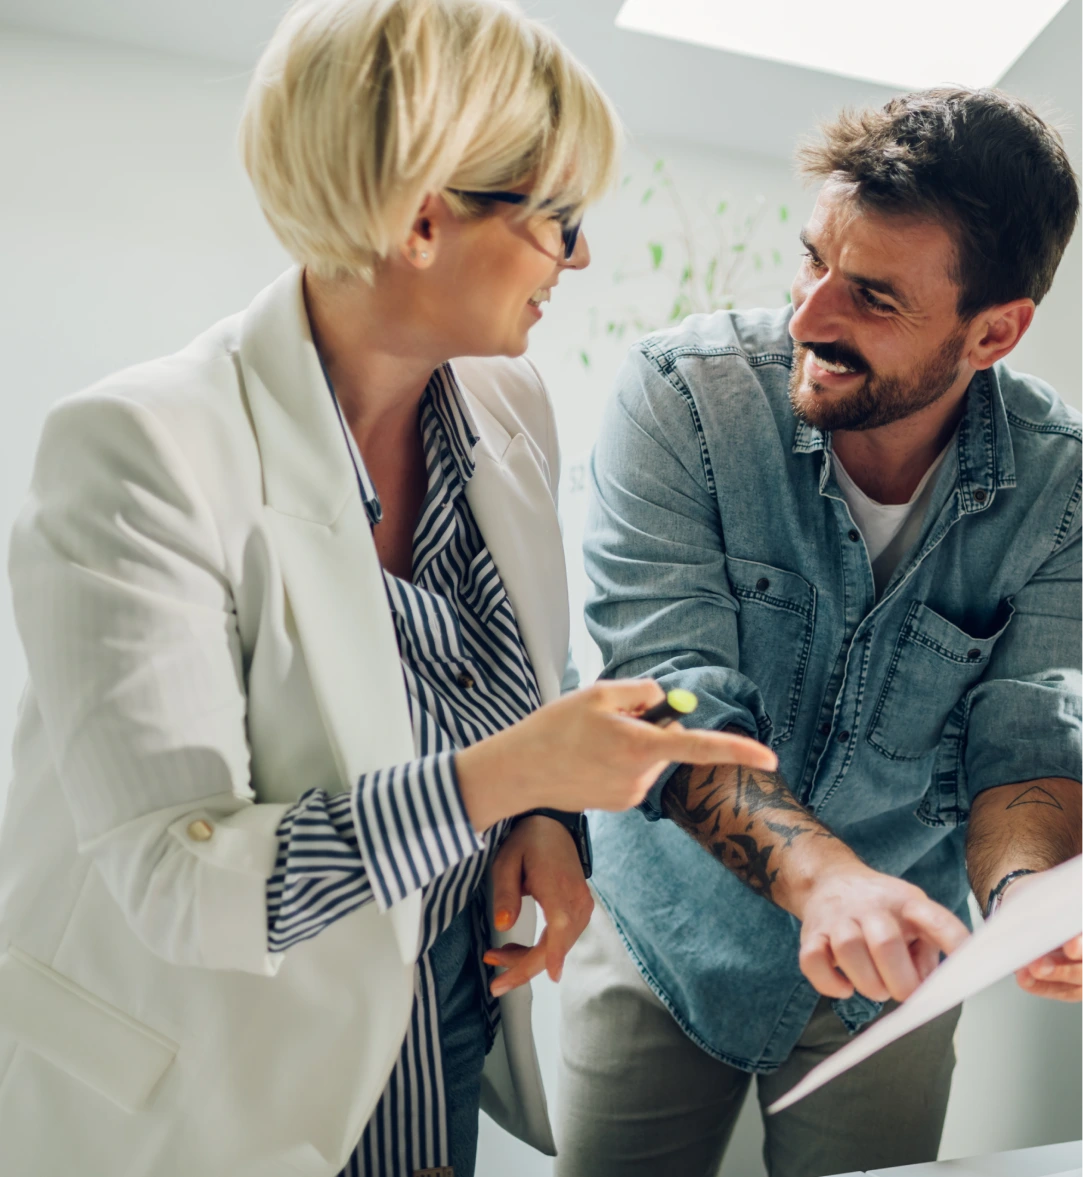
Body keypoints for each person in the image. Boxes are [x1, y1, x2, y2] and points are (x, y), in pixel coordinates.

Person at [0, 2, 778, 1175]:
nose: (579, 259)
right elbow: (178, 878)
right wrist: (510, 776)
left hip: (434, 1032)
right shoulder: (139, 448)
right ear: (423, 219)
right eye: (559, 219)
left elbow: (519, 680)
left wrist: (545, 818)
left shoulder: (507, 403)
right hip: (202, 1087)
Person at [558, 87, 1083, 1177]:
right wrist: (826, 881)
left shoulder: (1062, 488)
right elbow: (670, 693)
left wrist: (1029, 894)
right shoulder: (683, 398)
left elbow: (1025, 741)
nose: (807, 317)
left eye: (872, 297)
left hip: (894, 968)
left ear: (994, 331)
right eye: (811, 261)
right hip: (666, 931)